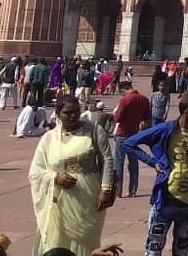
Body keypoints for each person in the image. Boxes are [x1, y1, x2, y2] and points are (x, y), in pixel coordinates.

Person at [122, 89, 188, 256]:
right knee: (153, 250)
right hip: (164, 201)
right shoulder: (165, 129)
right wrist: (153, 161)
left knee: (181, 251)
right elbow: (129, 143)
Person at [28, 95, 114, 256]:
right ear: (58, 113)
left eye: (76, 111)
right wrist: (54, 177)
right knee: (57, 239)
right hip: (58, 202)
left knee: (86, 238)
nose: (73, 116)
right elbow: (36, 171)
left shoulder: (93, 130)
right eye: (68, 112)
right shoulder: (49, 138)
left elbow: (107, 159)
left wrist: (106, 189)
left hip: (88, 197)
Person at [113, 84, 151, 197]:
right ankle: (133, 190)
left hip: (122, 133)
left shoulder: (124, 99)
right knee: (133, 162)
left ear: (123, 90)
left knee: (119, 162)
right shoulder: (144, 99)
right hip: (134, 134)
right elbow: (146, 117)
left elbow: (117, 118)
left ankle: (118, 191)